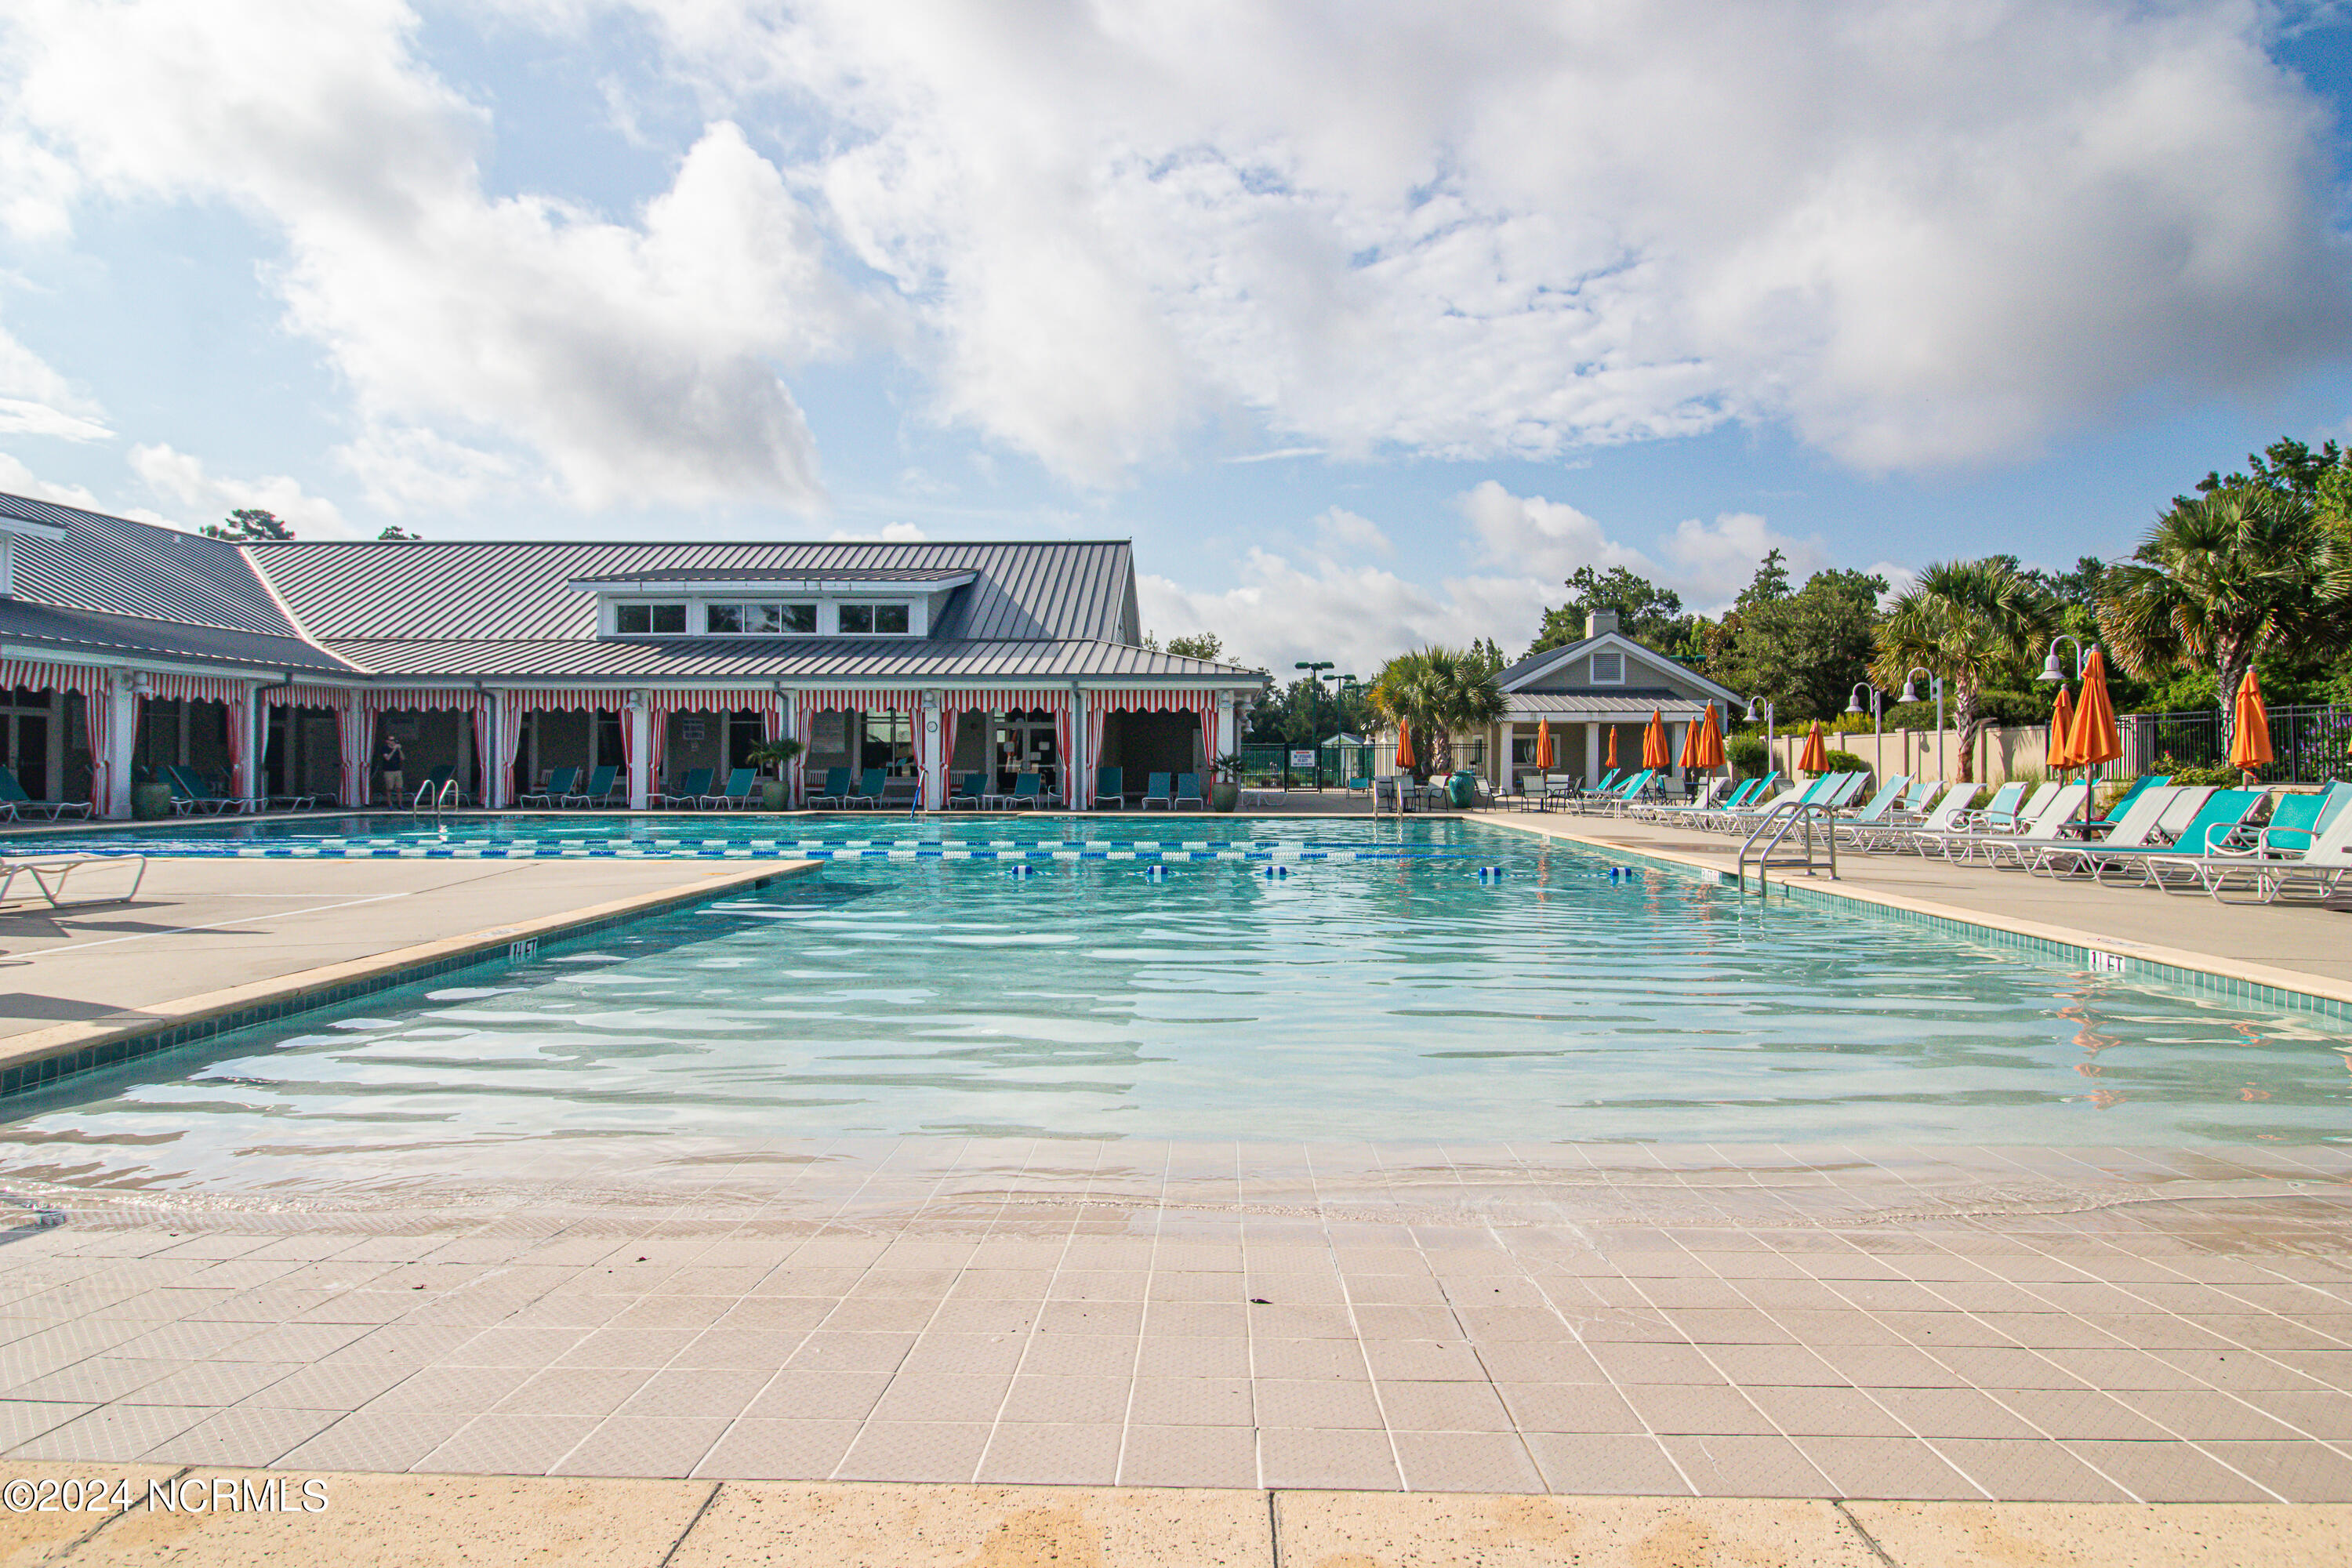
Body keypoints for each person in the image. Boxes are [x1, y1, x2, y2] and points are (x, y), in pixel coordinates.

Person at [373, 732, 405, 807]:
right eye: (391, 740)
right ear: (387, 741)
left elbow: (403, 758)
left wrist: (399, 750)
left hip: (398, 770)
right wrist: (393, 750)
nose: (393, 741)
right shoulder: (385, 748)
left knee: (399, 788)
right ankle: (390, 804)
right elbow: (387, 758)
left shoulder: (397, 749)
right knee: (389, 788)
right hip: (388, 771)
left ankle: (400, 804)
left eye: (394, 740)